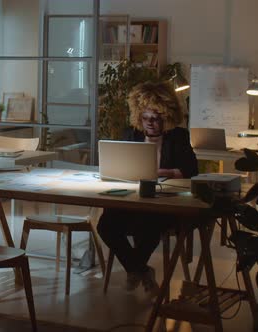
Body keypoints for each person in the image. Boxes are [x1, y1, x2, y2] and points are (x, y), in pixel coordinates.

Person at [97, 81, 198, 293]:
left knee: (150, 224)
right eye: (145, 118)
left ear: (166, 117)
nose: (149, 123)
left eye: (155, 118)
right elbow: (121, 166)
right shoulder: (131, 134)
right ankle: (140, 269)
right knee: (105, 225)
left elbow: (191, 170)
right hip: (133, 199)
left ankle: (135, 269)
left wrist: (164, 172)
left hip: (163, 203)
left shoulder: (178, 136)